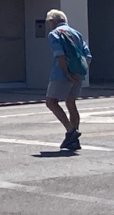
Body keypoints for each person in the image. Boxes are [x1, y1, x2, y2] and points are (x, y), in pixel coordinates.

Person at [44, 9, 92, 150]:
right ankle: (74, 140)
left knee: (51, 102)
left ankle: (71, 131)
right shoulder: (76, 33)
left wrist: (67, 72)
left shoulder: (54, 34)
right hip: (78, 73)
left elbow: (60, 56)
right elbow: (87, 56)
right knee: (71, 102)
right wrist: (80, 72)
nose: (49, 25)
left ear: (53, 21)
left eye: (49, 22)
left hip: (61, 74)